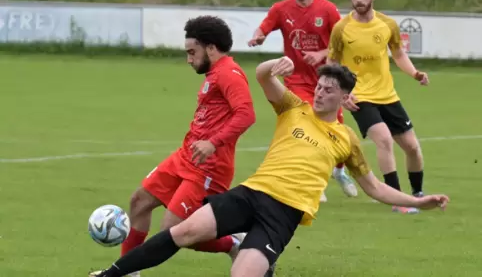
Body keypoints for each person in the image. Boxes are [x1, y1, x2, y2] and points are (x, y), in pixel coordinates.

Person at [89, 60, 449, 277]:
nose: (320, 93)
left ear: (344, 97)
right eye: (319, 86)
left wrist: (419, 202)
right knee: (183, 232)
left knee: (242, 273)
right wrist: (273, 66)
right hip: (251, 194)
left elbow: (373, 186)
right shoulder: (294, 107)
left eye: (328, 90)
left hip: (284, 215)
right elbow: (262, 77)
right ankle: (112, 273)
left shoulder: (346, 139)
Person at [89, 16, 256, 277]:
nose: (189, 59)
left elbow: (246, 114)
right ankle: (129, 273)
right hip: (186, 156)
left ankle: (234, 243)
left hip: (208, 168)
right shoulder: (214, 73)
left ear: (211, 48)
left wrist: (213, 143)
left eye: (193, 52)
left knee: (175, 233)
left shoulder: (230, 73)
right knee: (139, 202)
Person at [248, 0, 357, 202]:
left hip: (326, 80)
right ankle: (315, 185)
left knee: (337, 128)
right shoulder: (281, 9)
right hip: (296, 81)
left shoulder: (327, 10)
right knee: (310, 124)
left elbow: (340, 43)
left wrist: (320, 54)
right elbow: (264, 26)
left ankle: (339, 171)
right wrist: (258, 36)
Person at [327, 0, 430, 214]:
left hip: (388, 95)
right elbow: (332, 63)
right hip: (359, 96)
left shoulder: (387, 25)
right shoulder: (341, 28)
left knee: (412, 147)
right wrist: (342, 94)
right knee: (383, 139)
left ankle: (417, 194)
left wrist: (415, 74)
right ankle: (396, 200)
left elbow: (398, 54)